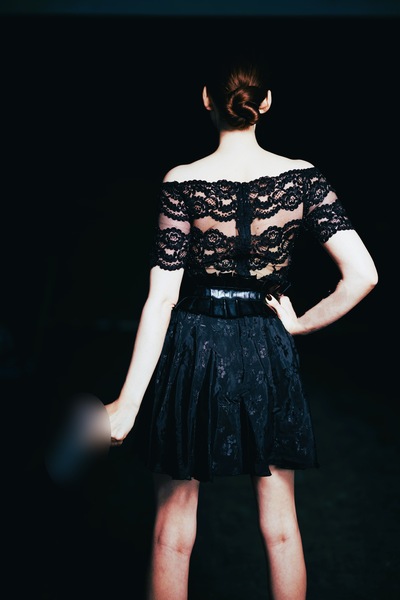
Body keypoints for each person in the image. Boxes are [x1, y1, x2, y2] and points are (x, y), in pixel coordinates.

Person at [105, 56, 378, 600]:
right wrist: (299, 325)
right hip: (265, 345)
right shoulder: (303, 177)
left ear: (206, 99)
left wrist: (126, 405)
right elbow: (364, 276)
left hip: (194, 343)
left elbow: (163, 297)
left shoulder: (182, 181)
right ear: (266, 102)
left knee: (171, 534)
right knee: (281, 529)